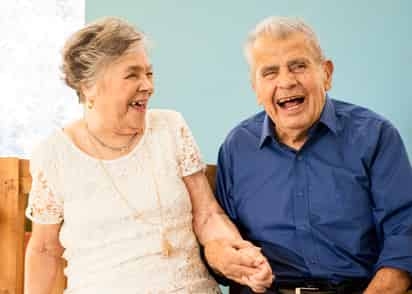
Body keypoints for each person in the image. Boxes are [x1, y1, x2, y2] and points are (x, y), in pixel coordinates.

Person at [24, 17, 274, 293]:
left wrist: (236, 252)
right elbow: (45, 250)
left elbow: (207, 215)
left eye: (149, 73)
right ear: (89, 87)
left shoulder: (170, 128)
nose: (148, 86)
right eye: (132, 75)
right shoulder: (55, 154)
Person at [213, 16, 412, 294]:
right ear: (256, 88)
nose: (286, 81)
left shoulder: (374, 135)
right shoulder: (237, 148)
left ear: (326, 74)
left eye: (299, 66)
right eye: (270, 73)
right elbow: (220, 243)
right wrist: (227, 259)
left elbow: (404, 238)